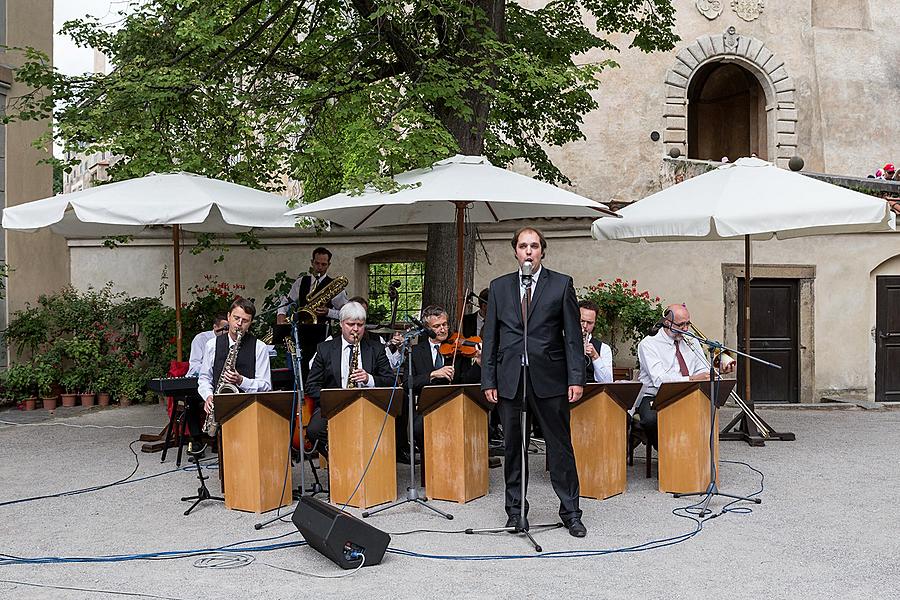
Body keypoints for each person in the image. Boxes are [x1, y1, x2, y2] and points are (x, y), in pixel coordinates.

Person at [481, 226, 587, 538]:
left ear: (542, 251)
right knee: (514, 448)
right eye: (524, 246)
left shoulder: (561, 284)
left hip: (550, 379)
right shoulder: (499, 287)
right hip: (511, 379)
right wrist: (489, 378)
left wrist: (576, 377)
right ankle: (515, 513)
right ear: (515, 251)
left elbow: (572, 338)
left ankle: (571, 512)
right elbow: (491, 338)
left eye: (535, 246)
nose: (529, 251)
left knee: (560, 448)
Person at [635, 303, 735, 449]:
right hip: (655, 396)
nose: (686, 329)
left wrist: (717, 371)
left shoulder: (691, 340)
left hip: (688, 393)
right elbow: (659, 380)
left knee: (705, 413)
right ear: (667, 323)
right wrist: (693, 379)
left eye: (688, 323)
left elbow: (702, 369)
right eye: (681, 325)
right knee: (650, 420)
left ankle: (693, 455)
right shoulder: (649, 344)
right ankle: (667, 453)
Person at [305, 301, 394, 455]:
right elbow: (311, 385)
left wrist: (369, 379)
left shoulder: (376, 349)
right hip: (334, 405)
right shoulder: (324, 349)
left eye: (360, 325)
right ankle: (339, 459)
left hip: (368, 404)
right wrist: (333, 398)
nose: (355, 329)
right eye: (350, 324)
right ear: (341, 324)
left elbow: (390, 381)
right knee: (314, 431)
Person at [193, 298, 272, 453]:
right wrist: (208, 396)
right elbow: (204, 378)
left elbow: (266, 386)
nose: (239, 324)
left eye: (245, 321)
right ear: (228, 317)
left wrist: (241, 380)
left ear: (250, 323)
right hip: (221, 408)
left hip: (249, 409)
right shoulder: (212, 345)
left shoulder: (260, 347)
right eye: (236, 318)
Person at [276, 247, 349, 383]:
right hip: (301, 333)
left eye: (323, 264)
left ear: (329, 265)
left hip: (322, 334)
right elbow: (286, 301)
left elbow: (346, 313)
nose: (320, 267)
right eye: (317, 263)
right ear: (312, 262)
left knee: (321, 370)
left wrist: (329, 312)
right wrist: (281, 314)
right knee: (302, 369)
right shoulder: (301, 282)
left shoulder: (334, 287)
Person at [578, 300, 613, 384]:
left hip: (592, 394)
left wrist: (595, 356)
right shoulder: (561, 343)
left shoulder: (604, 348)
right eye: (582, 321)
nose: (585, 326)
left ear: (594, 324)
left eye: (589, 323)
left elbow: (607, 382)